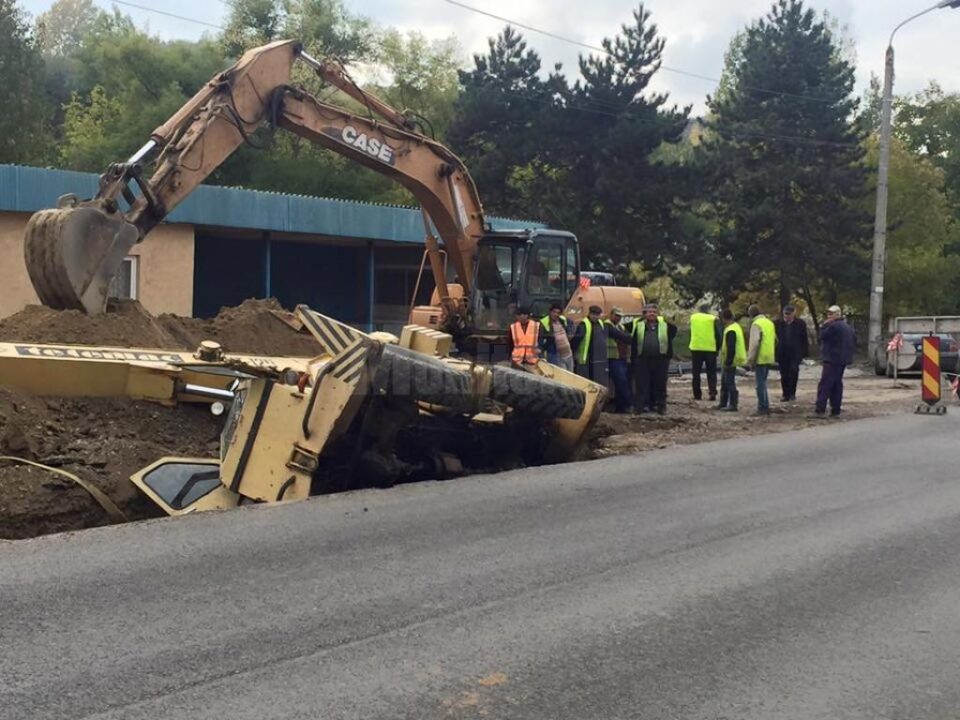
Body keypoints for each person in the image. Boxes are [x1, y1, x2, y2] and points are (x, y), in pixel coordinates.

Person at [631, 302, 677, 415]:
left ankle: (661, 406)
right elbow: (632, 338)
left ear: (658, 314)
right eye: (649, 312)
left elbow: (673, 331)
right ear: (645, 313)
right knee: (641, 384)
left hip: (660, 359)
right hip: (643, 359)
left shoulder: (665, 325)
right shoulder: (639, 324)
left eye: (654, 312)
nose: (652, 314)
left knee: (660, 384)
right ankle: (640, 407)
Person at [571, 305, 631, 388]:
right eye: (593, 314)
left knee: (596, 384)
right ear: (589, 314)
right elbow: (576, 341)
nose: (595, 317)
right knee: (584, 383)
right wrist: (573, 353)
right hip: (584, 359)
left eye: (597, 315)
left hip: (597, 360)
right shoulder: (584, 324)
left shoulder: (600, 324)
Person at [816, 305, 856, 417]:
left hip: (832, 359)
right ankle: (836, 410)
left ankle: (820, 409)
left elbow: (822, 336)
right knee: (837, 384)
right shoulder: (847, 327)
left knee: (825, 384)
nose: (828, 316)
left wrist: (824, 326)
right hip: (842, 360)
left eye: (831, 314)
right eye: (828, 314)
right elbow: (853, 341)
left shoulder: (832, 327)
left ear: (837, 315)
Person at [775, 304, 809, 402]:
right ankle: (785, 394)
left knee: (794, 372)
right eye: (785, 314)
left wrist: (804, 353)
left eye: (789, 314)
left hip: (795, 353)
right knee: (784, 374)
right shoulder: (778, 323)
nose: (787, 316)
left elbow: (804, 338)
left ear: (794, 314)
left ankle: (792, 393)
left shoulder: (800, 324)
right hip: (782, 352)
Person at [746, 304, 776, 416]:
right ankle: (766, 405)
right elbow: (775, 339)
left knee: (760, 384)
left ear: (751, 314)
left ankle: (762, 407)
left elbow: (754, 343)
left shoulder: (756, 324)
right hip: (769, 355)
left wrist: (750, 359)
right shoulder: (769, 323)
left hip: (760, 357)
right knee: (764, 382)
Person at [688, 303, 722, 401]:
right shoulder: (713, 319)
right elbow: (718, 335)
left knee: (696, 373)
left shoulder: (693, 318)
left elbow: (691, 332)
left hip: (696, 348)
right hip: (710, 349)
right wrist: (718, 348)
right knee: (711, 372)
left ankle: (697, 394)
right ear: (708, 310)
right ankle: (712, 393)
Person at [717, 309, 746, 412]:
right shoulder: (735, 327)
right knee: (725, 382)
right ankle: (723, 403)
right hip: (731, 359)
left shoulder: (731, 330)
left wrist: (728, 361)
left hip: (731, 360)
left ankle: (733, 404)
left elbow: (731, 347)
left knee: (729, 383)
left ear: (724, 318)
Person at [606, 306, 634, 413]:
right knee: (621, 381)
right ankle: (626, 405)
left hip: (621, 357)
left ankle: (621, 407)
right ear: (611, 314)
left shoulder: (620, 326)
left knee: (622, 382)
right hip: (612, 357)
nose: (618, 318)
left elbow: (627, 337)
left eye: (620, 316)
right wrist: (627, 337)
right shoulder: (607, 325)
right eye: (616, 315)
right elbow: (623, 337)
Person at [539, 303, 574, 372]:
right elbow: (541, 341)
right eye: (554, 312)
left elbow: (570, 326)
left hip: (568, 353)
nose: (556, 314)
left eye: (558, 313)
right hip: (555, 355)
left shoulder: (562, 320)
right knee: (562, 376)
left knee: (570, 375)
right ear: (550, 312)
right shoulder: (544, 322)